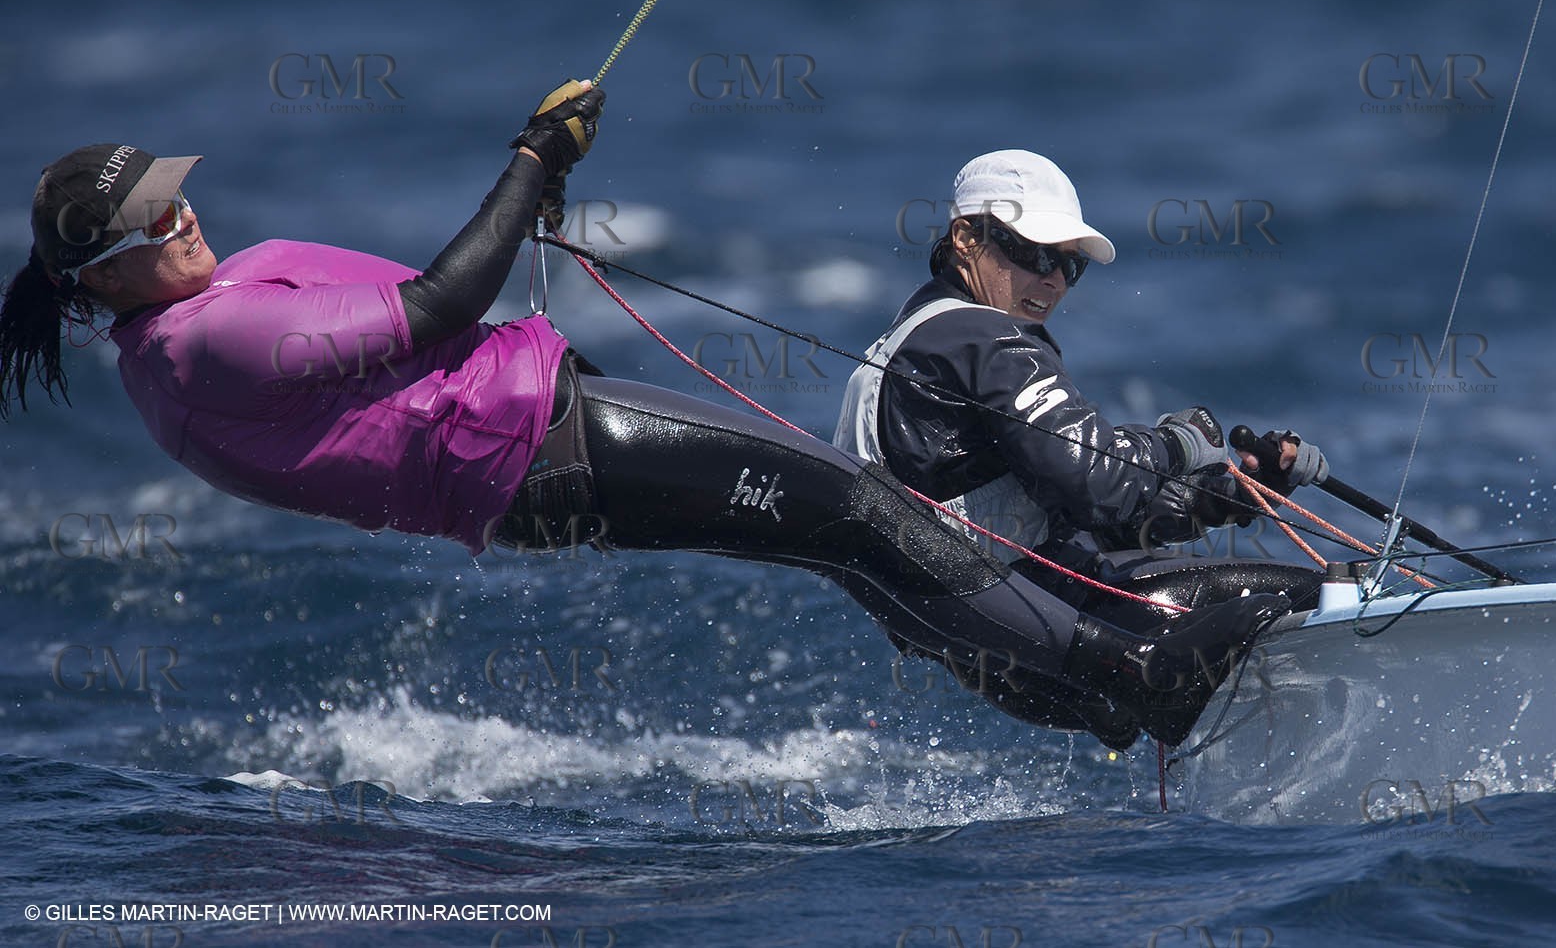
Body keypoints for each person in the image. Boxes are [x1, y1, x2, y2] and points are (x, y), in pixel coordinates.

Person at [1, 90, 1288, 748]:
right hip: (538, 453)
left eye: (174, 194)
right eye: (150, 223)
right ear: (95, 279)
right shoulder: (200, 340)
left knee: (844, 534)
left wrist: (531, 195)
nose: (182, 217)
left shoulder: (203, 308)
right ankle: (1125, 671)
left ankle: (1089, 695)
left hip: (542, 435)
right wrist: (533, 163)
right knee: (855, 511)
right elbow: (439, 304)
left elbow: (407, 333)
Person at [835, 149, 1328, 748]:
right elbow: (1098, 483)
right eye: (1037, 255)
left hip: (1014, 653)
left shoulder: (912, 342)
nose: (1054, 281)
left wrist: (1230, 496)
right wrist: (1176, 444)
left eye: (1071, 266)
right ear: (965, 239)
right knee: (1315, 595)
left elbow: (1086, 516)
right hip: (1049, 623)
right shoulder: (977, 337)